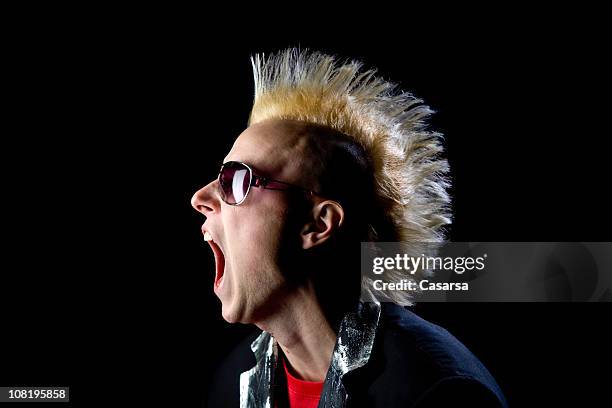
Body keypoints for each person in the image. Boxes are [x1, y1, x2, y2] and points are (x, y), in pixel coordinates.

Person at [191, 49, 507, 407]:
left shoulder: (437, 392)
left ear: (318, 223)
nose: (200, 198)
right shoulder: (233, 383)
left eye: (236, 180)